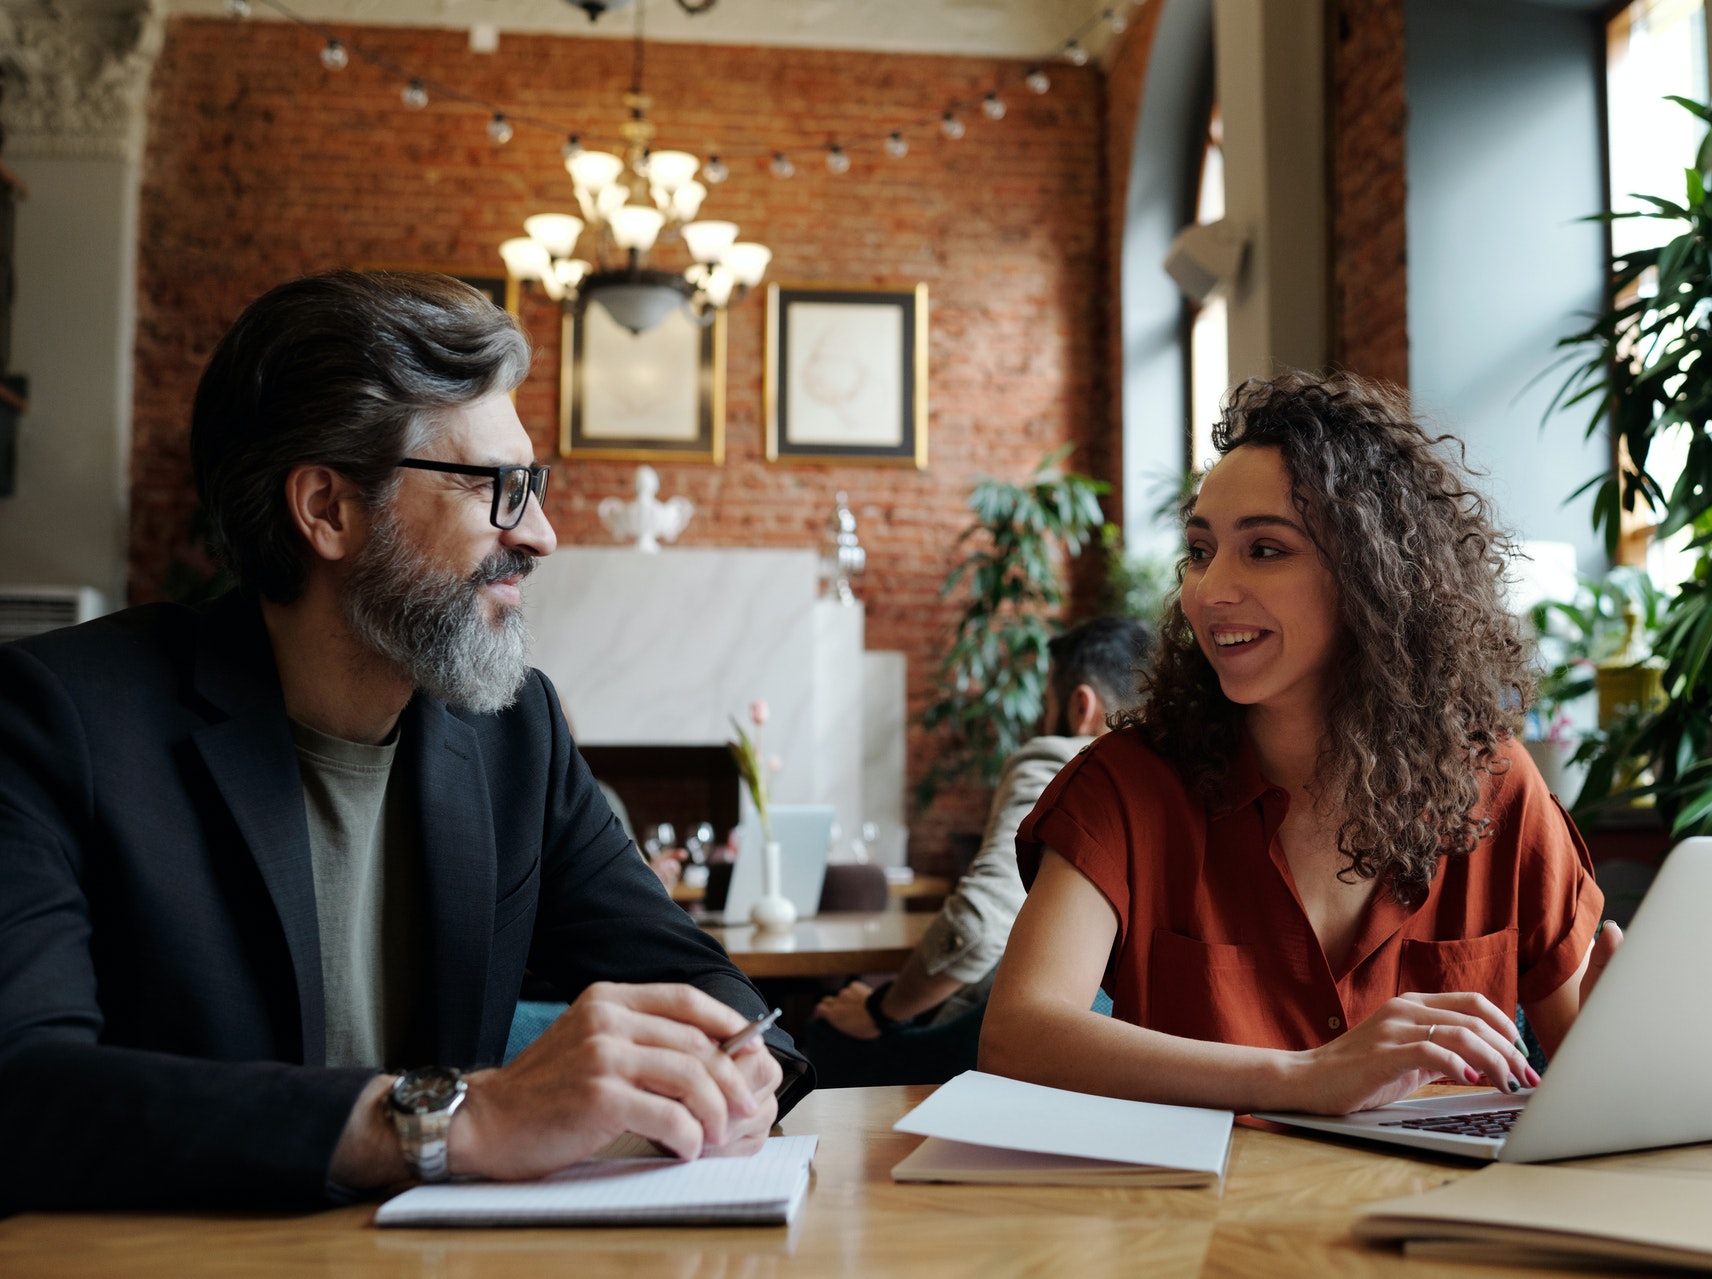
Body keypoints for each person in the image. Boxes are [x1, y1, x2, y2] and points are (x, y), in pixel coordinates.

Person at [0, 271, 811, 1213]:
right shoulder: (59, 722)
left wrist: (741, 1072)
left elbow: (713, 990)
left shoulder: (517, 736)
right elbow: (25, 1090)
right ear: (328, 509)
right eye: (499, 488)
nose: (542, 534)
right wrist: (458, 1120)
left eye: (534, 485)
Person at [980, 371, 1624, 1115]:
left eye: (1264, 549)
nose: (1208, 589)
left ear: (1376, 577)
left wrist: (1629, 1042)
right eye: (1200, 549)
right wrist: (1304, 1076)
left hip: (1446, 1216)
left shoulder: (1498, 784)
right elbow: (1018, 1037)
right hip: (1194, 1225)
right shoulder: (1128, 787)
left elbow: (1595, 1087)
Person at [807, 616, 1154, 1086]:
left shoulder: (1066, 762)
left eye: (1045, 704)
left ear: (1080, 705)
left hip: (984, 1050)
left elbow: (977, 926)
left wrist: (881, 1010)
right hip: (1120, 1058)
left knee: (817, 1036)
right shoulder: (1186, 781)